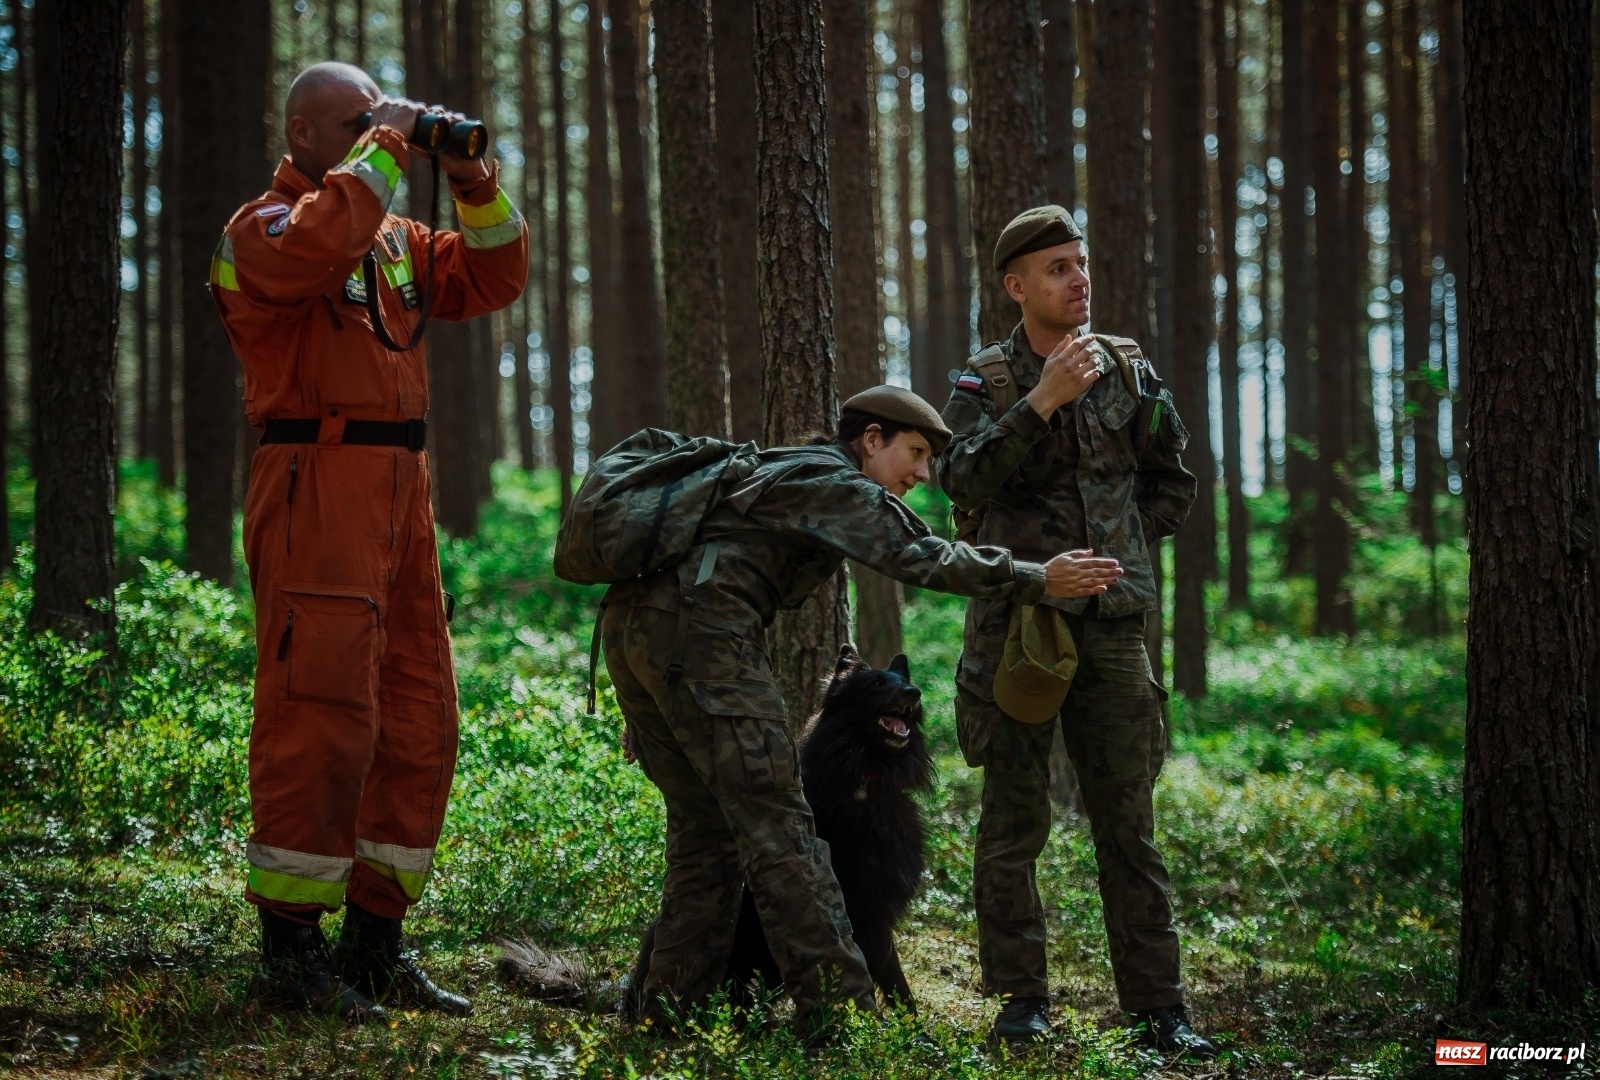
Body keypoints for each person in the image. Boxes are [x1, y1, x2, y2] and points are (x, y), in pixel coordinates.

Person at [603, 383, 1122, 1044]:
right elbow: (923, 555)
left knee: (706, 835)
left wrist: (663, 695)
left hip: (645, 639)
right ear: (869, 440)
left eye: (931, 460)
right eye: (914, 452)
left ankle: (665, 1017)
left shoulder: (783, 468)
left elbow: (711, 573)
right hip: (694, 644)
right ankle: (843, 1021)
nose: (924, 473)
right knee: (782, 832)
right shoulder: (839, 484)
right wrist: (1035, 576)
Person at [208, 62, 528, 1021]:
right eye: (354, 122)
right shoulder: (258, 229)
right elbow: (310, 252)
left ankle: (375, 944)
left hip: (400, 495)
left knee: (417, 714)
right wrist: (387, 142)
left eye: (379, 120)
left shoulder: (393, 237)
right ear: (305, 133)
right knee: (321, 712)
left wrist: (473, 179)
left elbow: (494, 274)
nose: (377, 134)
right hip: (317, 482)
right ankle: (290, 955)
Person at [937, 205, 1215, 1057]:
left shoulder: (1130, 371)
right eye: (1058, 268)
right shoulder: (985, 380)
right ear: (1018, 286)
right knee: (1012, 823)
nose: (1079, 279)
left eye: (1082, 264)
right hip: (1019, 625)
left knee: (1128, 824)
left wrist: (1122, 551)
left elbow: (1174, 482)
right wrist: (1042, 401)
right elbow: (958, 477)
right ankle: (1021, 1001)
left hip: (1113, 632)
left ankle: (1159, 1010)